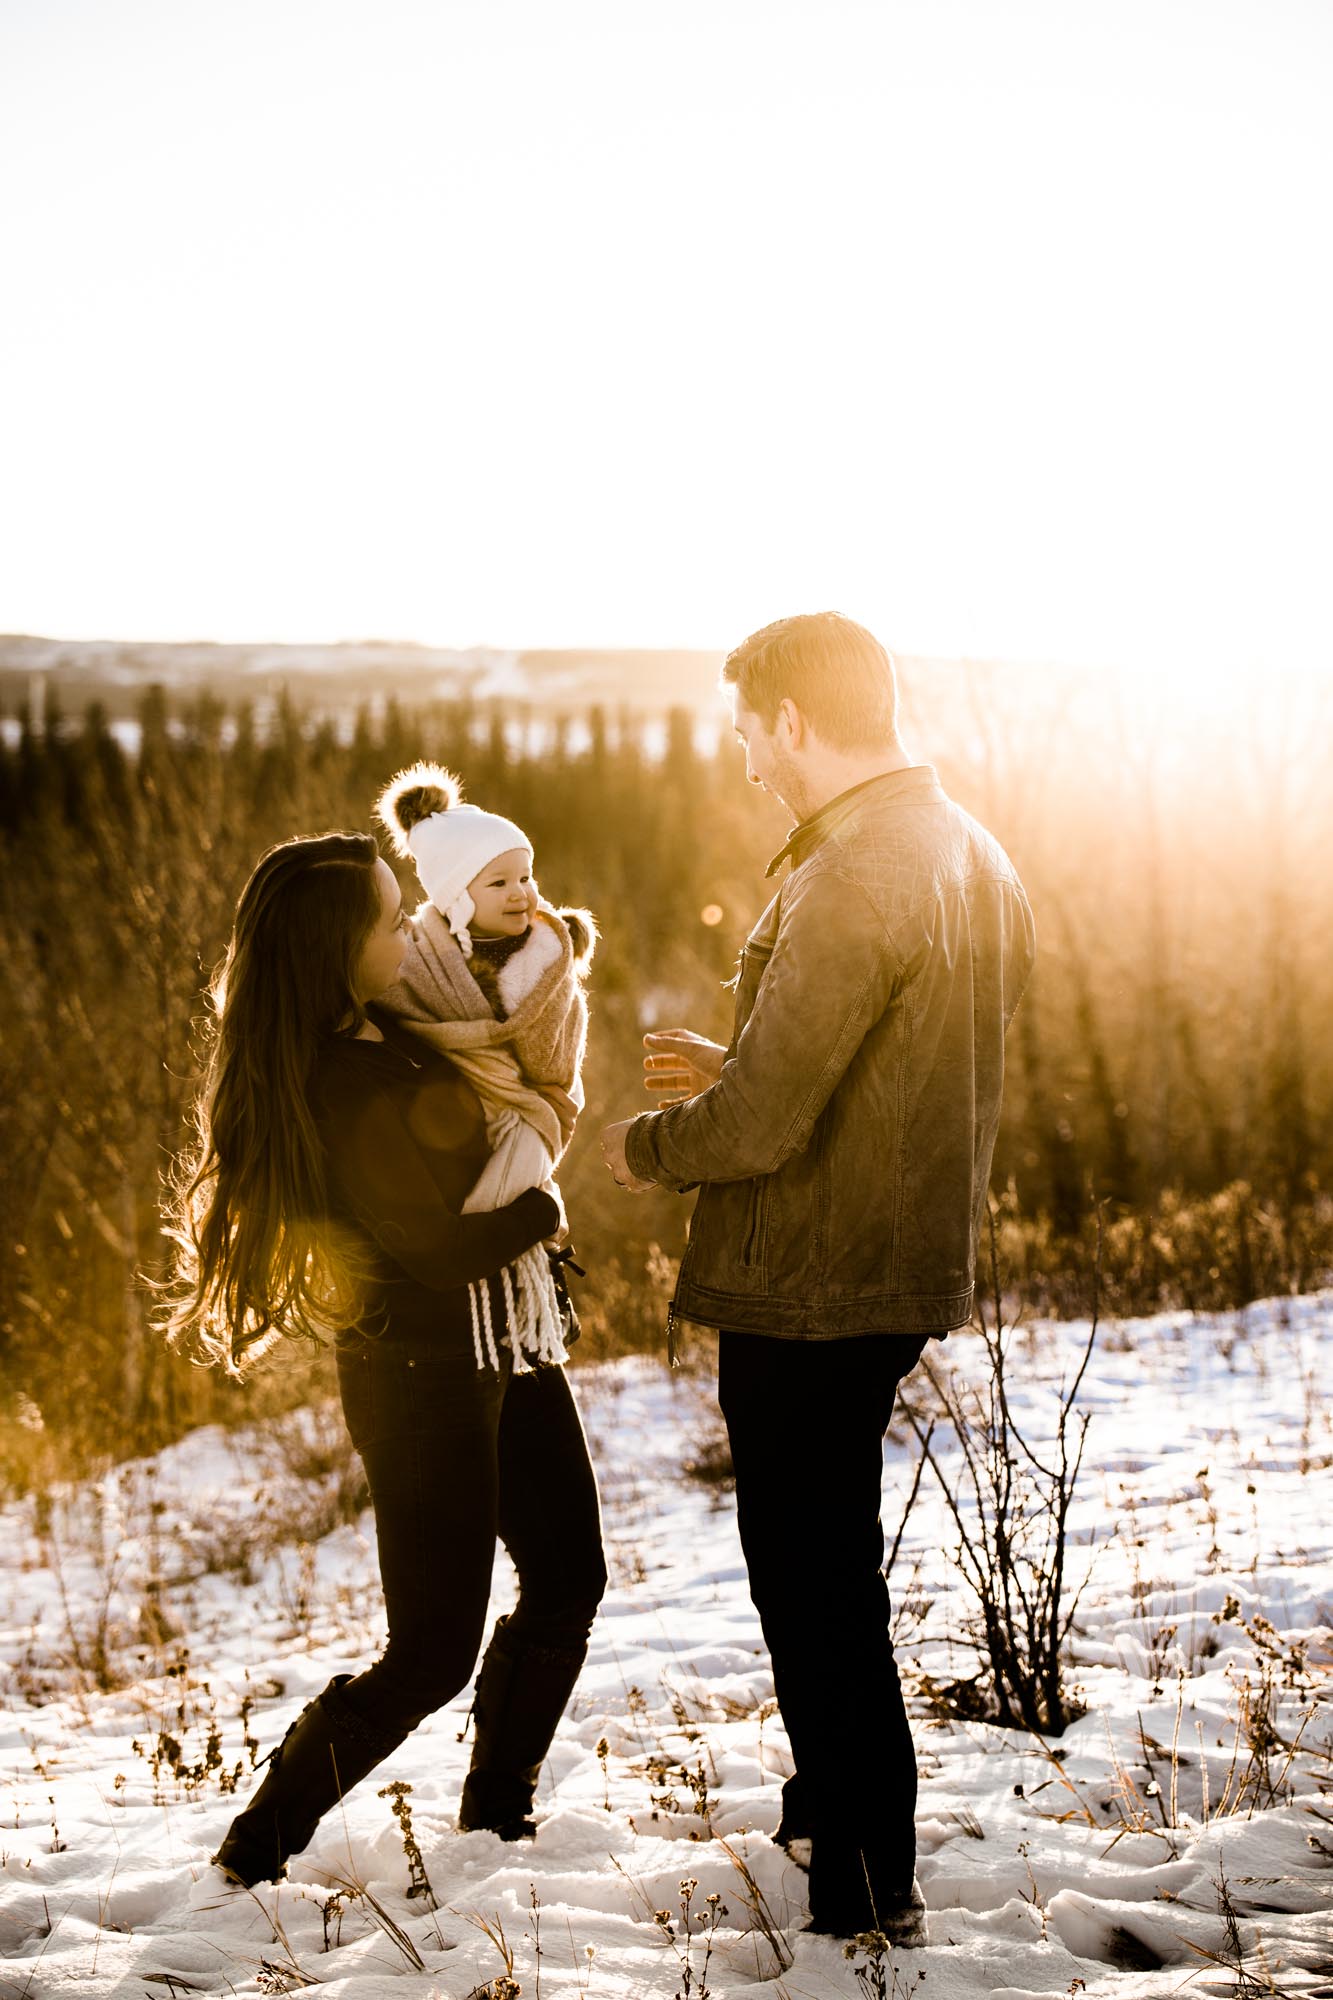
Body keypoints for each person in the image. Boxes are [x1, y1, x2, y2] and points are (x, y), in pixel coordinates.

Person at [600, 613, 1035, 1946]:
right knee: (820, 1568)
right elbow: (877, 1080)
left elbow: (766, 1132)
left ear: (791, 720)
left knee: (810, 1581)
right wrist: (745, 1064)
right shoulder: (968, 849)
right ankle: (828, 1812)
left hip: (809, 1288)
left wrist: (650, 1144)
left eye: (748, 732)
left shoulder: (856, 870)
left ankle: (861, 1878)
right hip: (886, 1269)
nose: (745, 763)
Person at [162, 832, 606, 1889]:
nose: (409, 925)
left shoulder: (382, 1024)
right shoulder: (343, 1079)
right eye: (385, 915)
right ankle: (256, 1845)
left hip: (505, 1339)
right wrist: (542, 1202)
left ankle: (497, 1818)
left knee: (568, 1574)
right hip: (424, 1377)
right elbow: (437, 1245)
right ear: (335, 948)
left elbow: (486, 1010)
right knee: (429, 1654)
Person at [372, 763, 597, 1369]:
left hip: (528, 1117)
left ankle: (508, 1282)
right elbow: (398, 1017)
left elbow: (554, 1069)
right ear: (454, 896)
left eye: (525, 876)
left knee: (500, 1223)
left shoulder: (547, 960)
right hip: (458, 1128)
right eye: (498, 883)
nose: (522, 893)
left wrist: (551, 988)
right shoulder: (414, 964)